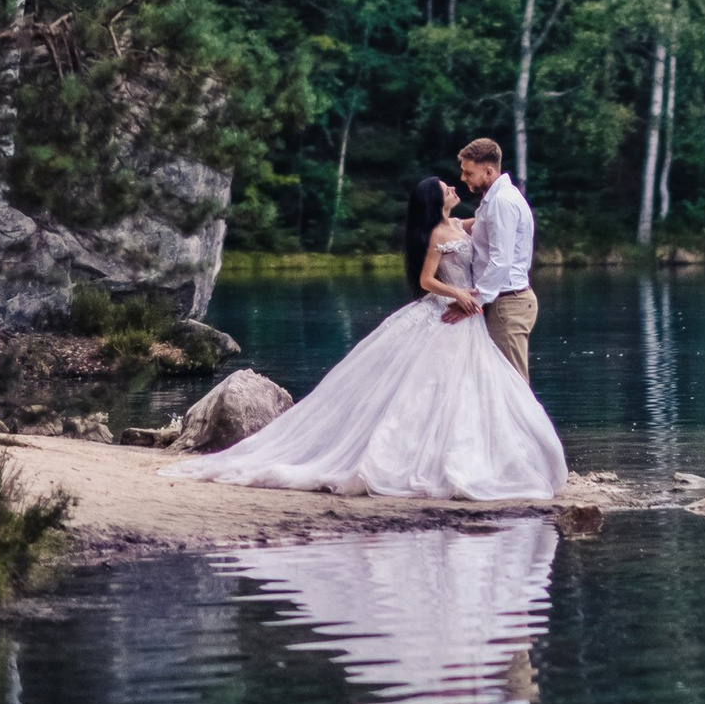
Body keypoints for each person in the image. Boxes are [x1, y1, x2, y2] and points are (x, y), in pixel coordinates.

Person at [163, 170, 566, 504]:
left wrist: (504, 196)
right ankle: (422, 460)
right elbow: (427, 280)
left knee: (465, 390)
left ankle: (477, 455)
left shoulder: (457, 225)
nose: (454, 188)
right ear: (434, 200)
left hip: (470, 317)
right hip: (447, 312)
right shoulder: (436, 237)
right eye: (447, 188)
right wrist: (459, 293)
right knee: (430, 389)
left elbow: (495, 219)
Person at [441, 137, 539, 380]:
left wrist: (473, 303)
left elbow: (501, 260)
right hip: (502, 301)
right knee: (499, 383)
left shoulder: (502, 202)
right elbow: (477, 232)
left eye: (468, 172)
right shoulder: (494, 199)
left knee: (514, 384)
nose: (463, 178)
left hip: (508, 304)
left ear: (488, 170)